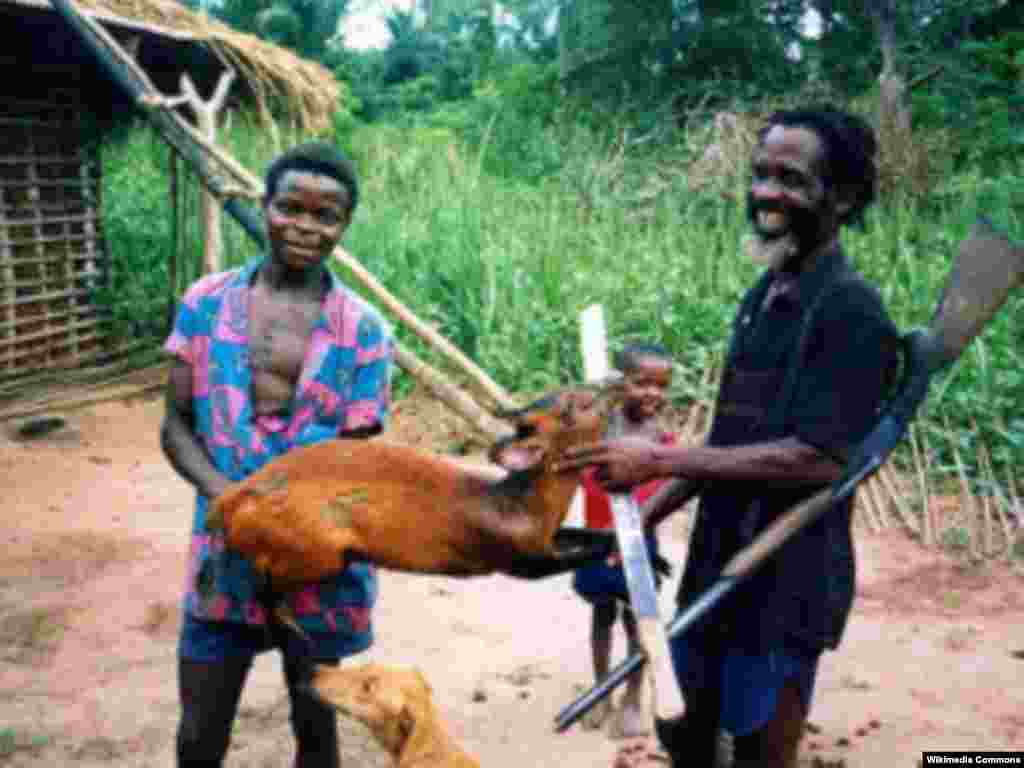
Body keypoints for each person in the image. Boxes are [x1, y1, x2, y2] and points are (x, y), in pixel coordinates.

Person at [558, 106, 901, 768]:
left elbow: (818, 460)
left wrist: (657, 458)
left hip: (786, 578)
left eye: (792, 179)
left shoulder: (851, 311)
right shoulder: (765, 294)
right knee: (685, 734)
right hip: (719, 558)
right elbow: (729, 440)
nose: (766, 193)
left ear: (845, 197)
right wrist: (651, 509)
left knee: (757, 746)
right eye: (761, 174)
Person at [161, 141, 394, 768]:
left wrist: (295, 523)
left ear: (345, 225)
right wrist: (227, 496)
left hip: (317, 565)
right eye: (291, 208)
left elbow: (357, 463)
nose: (306, 228)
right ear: (265, 208)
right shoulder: (206, 303)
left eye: (327, 216)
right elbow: (175, 427)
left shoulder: (365, 330)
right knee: (198, 738)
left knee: (316, 734)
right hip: (224, 551)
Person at [571, 343, 676, 739]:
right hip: (597, 539)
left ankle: (632, 697)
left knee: (640, 621)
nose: (652, 392)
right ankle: (602, 690)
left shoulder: (662, 441)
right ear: (619, 385)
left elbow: (667, 491)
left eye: (661, 385)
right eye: (641, 383)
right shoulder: (599, 428)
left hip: (640, 542)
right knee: (601, 615)